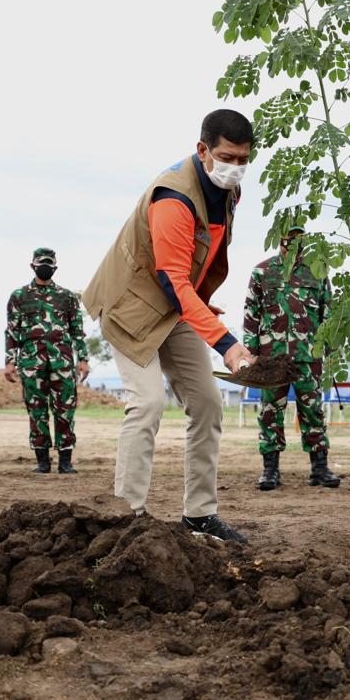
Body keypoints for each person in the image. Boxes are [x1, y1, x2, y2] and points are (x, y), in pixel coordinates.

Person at [82, 110, 256, 543]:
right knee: (146, 405)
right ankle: (129, 517)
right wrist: (228, 345)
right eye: (225, 156)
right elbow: (173, 279)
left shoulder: (228, 193)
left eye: (243, 159)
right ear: (203, 150)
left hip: (173, 307)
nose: (234, 167)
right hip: (129, 306)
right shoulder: (173, 198)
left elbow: (193, 267)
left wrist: (203, 305)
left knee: (208, 403)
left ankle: (199, 515)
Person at [242, 226, 341, 491]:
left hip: (308, 356)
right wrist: (250, 353)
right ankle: (270, 471)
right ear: (281, 242)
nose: (295, 246)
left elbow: (327, 312)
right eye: (291, 241)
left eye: (300, 241)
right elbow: (251, 314)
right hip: (271, 357)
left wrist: (328, 346)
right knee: (270, 412)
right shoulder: (262, 272)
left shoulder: (317, 272)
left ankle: (319, 469)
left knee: (312, 410)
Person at [4, 247, 89, 474]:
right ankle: (42, 461)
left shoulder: (67, 297)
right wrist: (10, 361)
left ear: (55, 267)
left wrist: (83, 358)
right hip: (32, 364)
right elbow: (12, 331)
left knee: (65, 411)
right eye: (42, 264)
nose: (45, 268)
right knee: (36, 411)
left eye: (49, 264)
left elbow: (77, 331)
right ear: (32, 266)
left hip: (62, 363)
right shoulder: (19, 297)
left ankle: (65, 461)